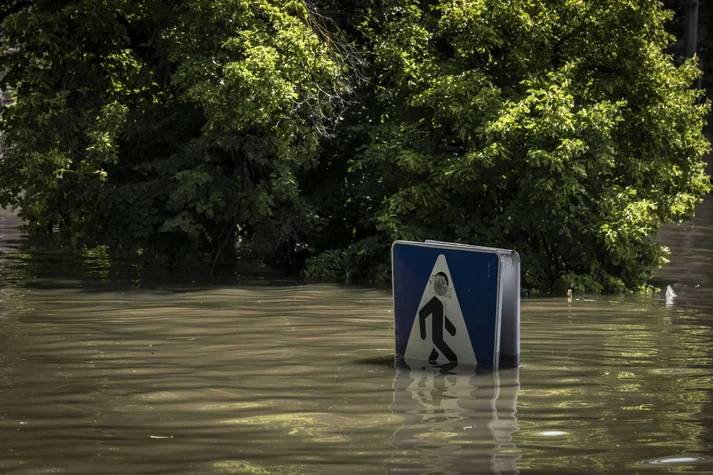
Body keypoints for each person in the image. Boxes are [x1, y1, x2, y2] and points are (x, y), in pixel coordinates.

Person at [418, 272, 457, 363]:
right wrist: (423, 334)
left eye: (444, 284)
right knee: (453, 359)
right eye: (440, 283)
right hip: (437, 340)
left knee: (433, 358)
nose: (443, 287)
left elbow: (442, 318)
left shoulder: (441, 302)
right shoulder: (434, 302)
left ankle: (429, 371)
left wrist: (451, 329)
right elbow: (422, 314)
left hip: (438, 339)